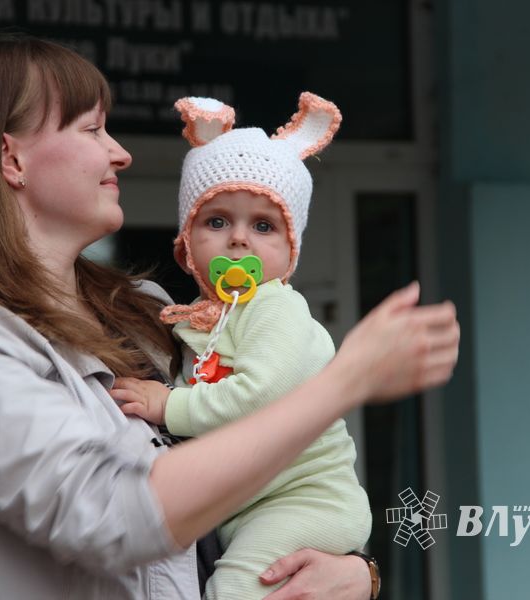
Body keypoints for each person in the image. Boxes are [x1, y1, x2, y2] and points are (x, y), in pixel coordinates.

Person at [0, 35, 461, 600]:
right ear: (11, 157)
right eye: (93, 128)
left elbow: (249, 482)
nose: (121, 152)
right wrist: (346, 381)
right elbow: (106, 514)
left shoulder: (150, 310)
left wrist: (355, 571)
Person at [111, 92, 371, 599]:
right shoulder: (200, 322)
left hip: (305, 501)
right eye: (216, 221)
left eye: (263, 225)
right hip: (254, 508)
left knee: (233, 589)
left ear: (290, 250)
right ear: (186, 246)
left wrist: (169, 404)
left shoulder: (275, 308)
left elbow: (257, 396)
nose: (238, 240)